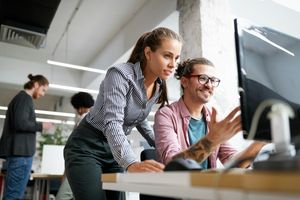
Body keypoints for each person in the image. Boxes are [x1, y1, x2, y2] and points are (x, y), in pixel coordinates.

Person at [64, 27, 183, 200]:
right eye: (167, 56)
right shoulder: (120, 74)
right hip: (86, 147)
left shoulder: (157, 86)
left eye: (176, 58)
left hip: (113, 150)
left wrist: (163, 146)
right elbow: (112, 123)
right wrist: (131, 163)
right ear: (148, 53)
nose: (173, 64)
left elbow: (140, 120)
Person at [154, 58, 266, 169]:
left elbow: (235, 163)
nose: (209, 85)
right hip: (180, 185)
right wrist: (213, 139)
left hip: (207, 185)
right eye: (202, 78)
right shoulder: (165, 115)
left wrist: (261, 140)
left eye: (213, 80)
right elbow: (173, 164)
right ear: (184, 81)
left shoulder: (213, 118)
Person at [0, 74, 53, 200]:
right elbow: (20, 123)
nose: (43, 94)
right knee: (14, 196)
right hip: (21, 156)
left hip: (19, 155)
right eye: (43, 90)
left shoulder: (21, 99)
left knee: (13, 194)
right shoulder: (24, 99)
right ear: (36, 85)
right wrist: (41, 126)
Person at [56, 92, 94, 200]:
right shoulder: (93, 118)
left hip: (79, 164)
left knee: (62, 197)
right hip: (82, 165)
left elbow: (75, 147)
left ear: (80, 108)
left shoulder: (83, 119)